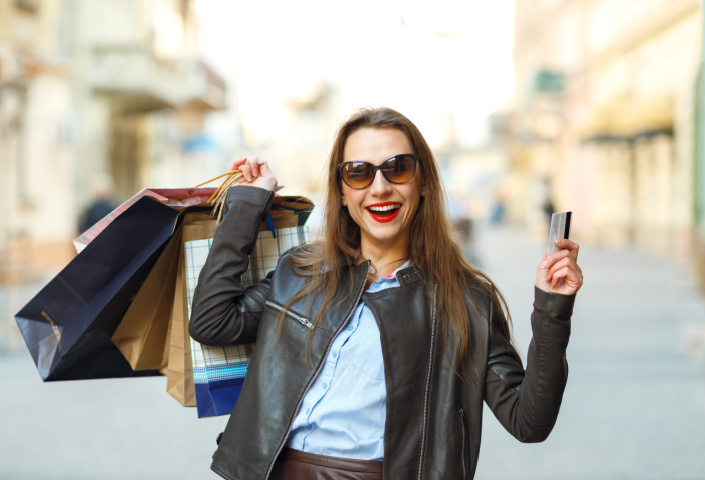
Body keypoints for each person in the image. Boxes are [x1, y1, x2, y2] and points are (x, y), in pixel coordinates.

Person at [189, 107, 583, 480]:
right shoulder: (302, 269)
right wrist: (248, 203)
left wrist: (552, 310)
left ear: (423, 182)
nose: (380, 188)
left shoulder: (463, 300)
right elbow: (210, 322)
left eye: (398, 168)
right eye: (358, 173)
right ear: (342, 192)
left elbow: (529, 422)